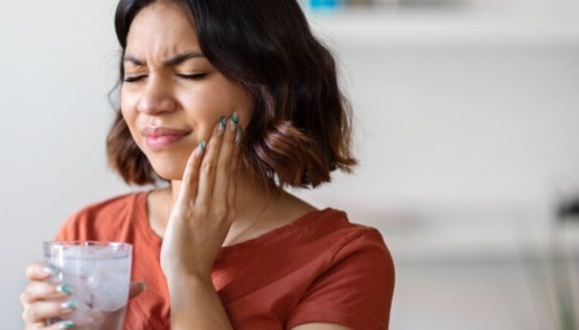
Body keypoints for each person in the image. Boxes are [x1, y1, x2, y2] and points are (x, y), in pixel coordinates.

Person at [20, 0, 395, 329]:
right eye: (135, 76)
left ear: (268, 86)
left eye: (190, 73)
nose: (150, 102)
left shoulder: (343, 259)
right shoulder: (91, 232)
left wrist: (188, 275)